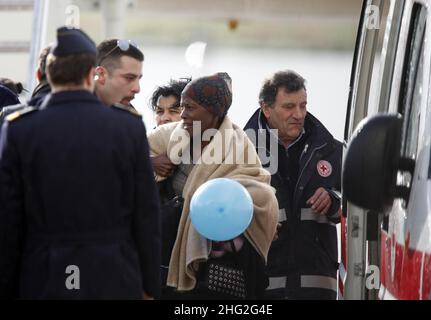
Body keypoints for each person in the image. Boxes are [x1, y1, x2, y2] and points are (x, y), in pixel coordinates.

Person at [0, 26, 161, 299]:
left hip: (42, 275)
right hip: (113, 275)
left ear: (46, 74)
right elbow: (145, 215)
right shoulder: (127, 127)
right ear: (91, 74)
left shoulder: (19, 129)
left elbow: (8, 221)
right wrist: (149, 286)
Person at [148, 72, 279, 299]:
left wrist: (236, 204)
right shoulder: (172, 135)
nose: (184, 115)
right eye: (183, 107)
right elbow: (126, 155)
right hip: (167, 256)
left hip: (217, 266)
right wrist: (151, 162)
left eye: (190, 108)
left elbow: (262, 190)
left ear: (213, 111)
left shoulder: (238, 146)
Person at [244, 70, 342, 300]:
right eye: (289, 107)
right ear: (266, 109)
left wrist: (334, 198)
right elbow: (224, 209)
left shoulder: (332, 150)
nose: (298, 114)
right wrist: (255, 224)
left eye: (303, 105)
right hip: (261, 286)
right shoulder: (241, 151)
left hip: (317, 287)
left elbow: (359, 205)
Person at [95, 39, 143, 112]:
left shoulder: (129, 116)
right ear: (101, 74)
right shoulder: (76, 113)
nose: (137, 89)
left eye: (138, 79)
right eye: (129, 78)